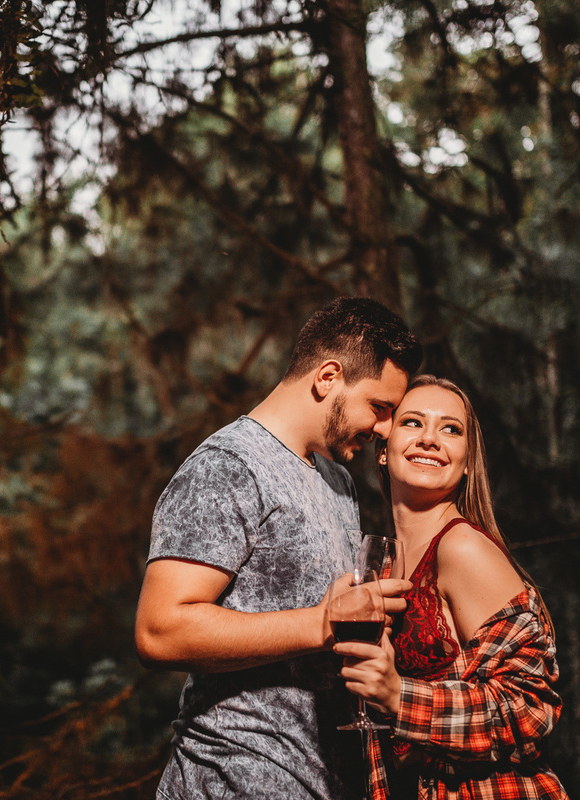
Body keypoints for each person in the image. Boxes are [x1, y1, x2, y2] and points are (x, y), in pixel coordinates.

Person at [134, 296, 424, 799]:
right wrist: (321, 623)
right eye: (379, 408)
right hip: (231, 780)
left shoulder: (338, 480)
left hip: (321, 782)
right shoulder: (228, 466)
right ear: (327, 377)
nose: (384, 429)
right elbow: (159, 630)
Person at [335, 375, 569, 800]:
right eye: (412, 423)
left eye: (450, 429)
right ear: (383, 450)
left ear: (466, 461)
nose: (429, 439)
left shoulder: (462, 547)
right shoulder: (383, 562)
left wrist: (399, 696)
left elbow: (532, 709)